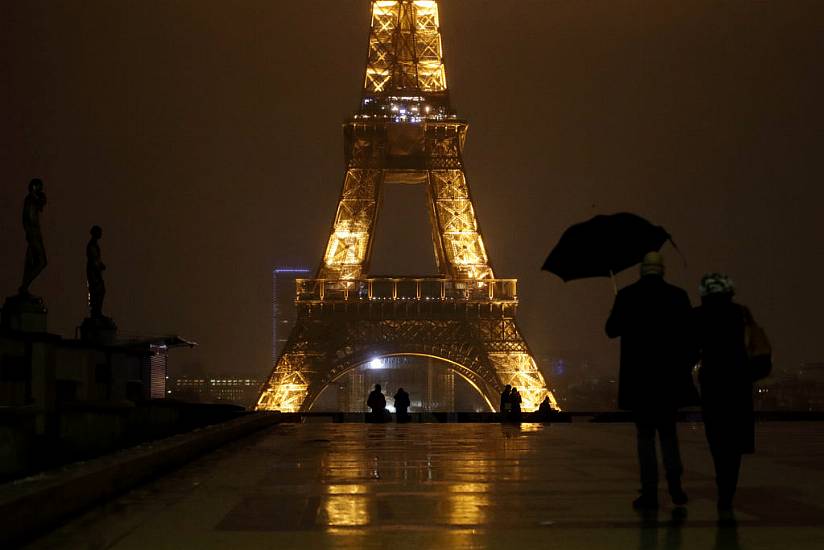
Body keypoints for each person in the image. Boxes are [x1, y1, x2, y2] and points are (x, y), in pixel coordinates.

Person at [606, 251, 698, 510]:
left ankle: (649, 491)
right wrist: (684, 366)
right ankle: (676, 487)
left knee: (645, 438)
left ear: (641, 271)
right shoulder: (678, 296)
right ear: (662, 270)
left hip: (640, 381)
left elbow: (611, 330)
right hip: (669, 380)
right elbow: (692, 337)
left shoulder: (627, 296)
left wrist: (619, 307)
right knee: (668, 435)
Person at [693, 273, 762, 516]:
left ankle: (723, 482)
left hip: (713, 384)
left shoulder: (699, 316)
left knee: (717, 437)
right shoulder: (741, 313)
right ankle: (727, 488)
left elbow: (690, 350)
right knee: (734, 441)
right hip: (738, 382)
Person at [20, 178, 48, 295]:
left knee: (31, 262)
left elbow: (41, 203)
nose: (41, 189)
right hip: (33, 233)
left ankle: (24, 287)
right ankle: (24, 286)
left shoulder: (32, 200)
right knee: (41, 262)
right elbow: (27, 218)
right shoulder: (30, 199)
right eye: (39, 187)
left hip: (34, 233)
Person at [86, 225, 107, 318]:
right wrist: (99, 267)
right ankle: (96, 312)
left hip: (95, 272)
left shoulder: (94, 245)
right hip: (94, 273)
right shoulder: (92, 245)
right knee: (97, 291)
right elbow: (93, 260)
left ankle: (97, 312)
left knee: (99, 291)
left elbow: (96, 259)